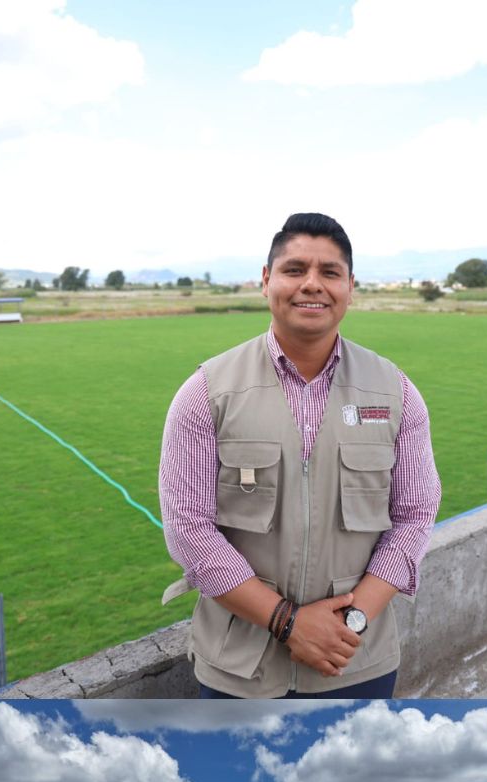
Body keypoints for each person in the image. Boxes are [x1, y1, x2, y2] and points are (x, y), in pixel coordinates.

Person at [160, 212, 442, 697]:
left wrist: (350, 621)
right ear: (266, 281)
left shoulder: (396, 392)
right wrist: (287, 622)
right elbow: (188, 528)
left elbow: (415, 516)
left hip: (355, 659)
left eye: (330, 273)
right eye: (294, 270)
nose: (312, 284)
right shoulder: (207, 392)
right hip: (238, 670)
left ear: (351, 287)